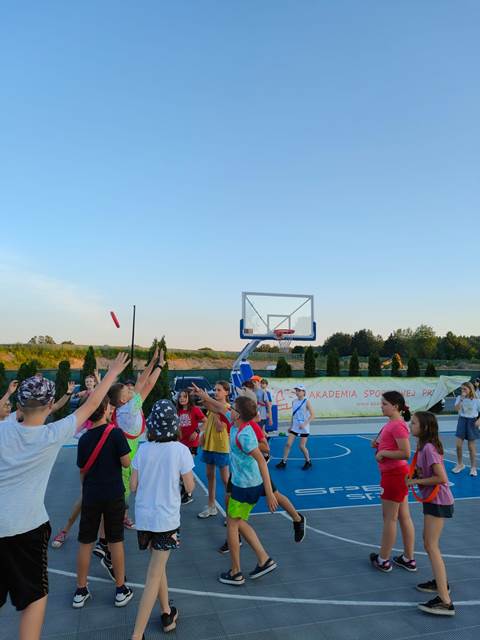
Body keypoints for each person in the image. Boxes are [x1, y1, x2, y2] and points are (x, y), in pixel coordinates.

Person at [0, 353, 130, 640]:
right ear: (50, 406)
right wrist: (112, 373)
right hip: (27, 529)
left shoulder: (3, 428)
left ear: (19, 405)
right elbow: (92, 405)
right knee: (34, 598)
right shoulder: (51, 435)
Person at [129, 400, 195, 638]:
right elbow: (190, 486)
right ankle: (137, 635)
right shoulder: (180, 450)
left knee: (158, 566)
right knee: (153, 575)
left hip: (144, 519)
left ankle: (167, 613)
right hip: (166, 520)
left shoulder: (143, 449)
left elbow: (133, 486)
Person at [72, 395, 133, 609]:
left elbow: (82, 471)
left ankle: (80, 590)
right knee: (115, 541)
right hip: (113, 493)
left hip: (92, 494)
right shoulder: (115, 433)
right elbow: (126, 463)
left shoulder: (84, 439)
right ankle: (120, 589)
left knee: (85, 541)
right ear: (106, 409)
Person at [219, 395, 278, 585]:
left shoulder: (243, 435)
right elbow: (220, 408)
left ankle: (236, 572)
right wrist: (204, 397)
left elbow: (262, 460)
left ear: (239, 414)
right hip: (246, 484)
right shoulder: (236, 424)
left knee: (232, 524)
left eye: (233, 407)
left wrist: (269, 493)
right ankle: (263, 559)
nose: (230, 409)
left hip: (245, 486)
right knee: (239, 522)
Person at [108, 346, 165, 527]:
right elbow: (147, 384)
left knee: (126, 486)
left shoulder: (122, 408)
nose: (130, 389)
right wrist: (159, 366)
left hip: (125, 449)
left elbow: (141, 382)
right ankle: (119, 519)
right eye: (127, 390)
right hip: (128, 452)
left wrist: (152, 362)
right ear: (123, 399)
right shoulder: (131, 408)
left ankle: (120, 516)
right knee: (126, 488)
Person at [407, 411, 455, 616]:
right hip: (433, 500)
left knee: (431, 546)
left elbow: (441, 477)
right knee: (429, 544)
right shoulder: (423, 446)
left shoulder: (428, 448)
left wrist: (415, 481)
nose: (410, 425)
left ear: (424, 427)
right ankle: (440, 583)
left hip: (438, 501)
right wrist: (415, 475)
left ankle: (445, 601)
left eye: (414, 423)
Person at [369, 390, 416, 573]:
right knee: (403, 516)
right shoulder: (392, 424)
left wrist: (383, 452)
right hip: (396, 474)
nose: (381, 406)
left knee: (390, 518)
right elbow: (386, 443)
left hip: (394, 475)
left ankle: (383, 559)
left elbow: (405, 452)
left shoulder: (397, 425)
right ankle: (408, 558)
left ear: (395, 406)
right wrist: (379, 445)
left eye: (384, 404)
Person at [197, 380, 231, 519]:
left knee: (225, 480)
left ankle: (230, 512)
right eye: (215, 389)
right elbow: (208, 421)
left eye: (219, 390)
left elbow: (219, 427)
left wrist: (215, 411)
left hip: (221, 447)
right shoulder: (213, 407)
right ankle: (211, 506)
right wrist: (203, 435)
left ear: (226, 392)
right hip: (209, 445)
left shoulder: (227, 408)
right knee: (209, 476)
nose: (216, 392)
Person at [276, 384, 314, 470]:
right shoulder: (294, 402)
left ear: (304, 392)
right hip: (295, 426)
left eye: (299, 390)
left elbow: (313, 415)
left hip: (304, 428)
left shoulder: (307, 402)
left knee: (301, 446)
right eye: (296, 390)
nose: (297, 392)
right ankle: (283, 462)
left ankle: (308, 461)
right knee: (288, 444)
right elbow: (294, 415)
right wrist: (291, 426)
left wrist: (304, 424)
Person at [176, 389, 205, 504]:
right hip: (180, 444)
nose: (182, 399)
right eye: (180, 397)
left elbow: (206, 421)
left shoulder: (195, 410)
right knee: (179, 469)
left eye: (185, 396)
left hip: (192, 444)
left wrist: (197, 432)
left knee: (186, 467)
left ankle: (188, 493)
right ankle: (185, 486)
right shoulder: (177, 411)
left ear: (189, 398)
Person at [452, 382, 480, 477]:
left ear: (470, 389)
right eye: (462, 389)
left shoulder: (477, 400)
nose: (463, 391)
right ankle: (460, 464)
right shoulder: (459, 398)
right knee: (458, 445)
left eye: (465, 389)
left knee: (471, 446)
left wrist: (479, 420)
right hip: (462, 420)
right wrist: (461, 399)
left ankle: (473, 467)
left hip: (472, 421)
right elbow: (456, 409)